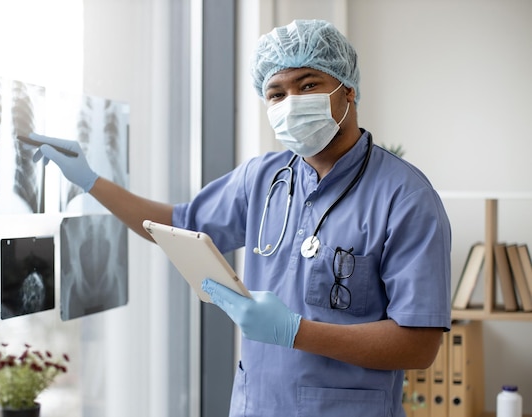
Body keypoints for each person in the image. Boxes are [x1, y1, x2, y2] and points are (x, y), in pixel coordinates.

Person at [28, 19, 451, 417]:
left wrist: (295, 331)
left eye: (308, 84)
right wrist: (90, 181)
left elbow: (418, 345)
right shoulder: (263, 177)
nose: (291, 103)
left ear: (347, 90)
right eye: (277, 94)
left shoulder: (406, 197)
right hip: (257, 404)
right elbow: (177, 227)